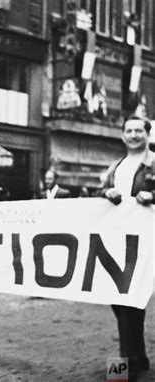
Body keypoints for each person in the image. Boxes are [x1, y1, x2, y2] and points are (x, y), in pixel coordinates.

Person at [100, 115, 152, 380]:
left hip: (144, 243)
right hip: (117, 242)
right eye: (128, 131)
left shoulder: (153, 163)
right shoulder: (116, 166)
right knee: (122, 302)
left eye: (138, 131)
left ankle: (122, 369)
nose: (133, 135)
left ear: (147, 134)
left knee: (128, 301)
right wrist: (106, 193)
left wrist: (152, 196)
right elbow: (101, 193)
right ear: (122, 135)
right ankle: (139, 358)